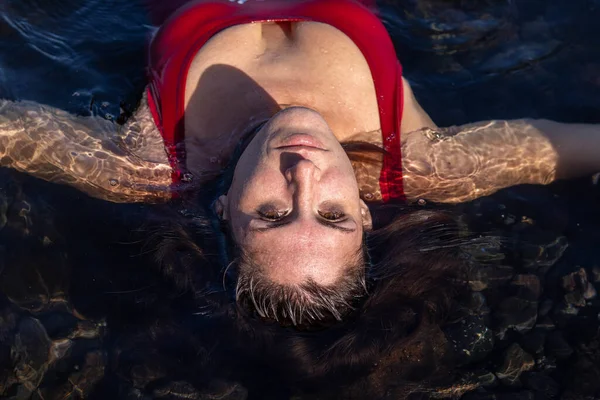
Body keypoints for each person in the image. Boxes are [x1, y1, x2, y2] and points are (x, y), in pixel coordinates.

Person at [0, 0, 598, 327]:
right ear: (365, 215)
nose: (303, 173)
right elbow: (565, 146)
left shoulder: (147, 167)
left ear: (223, 211)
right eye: (332, 214)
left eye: (272, 213)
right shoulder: (422, 166)